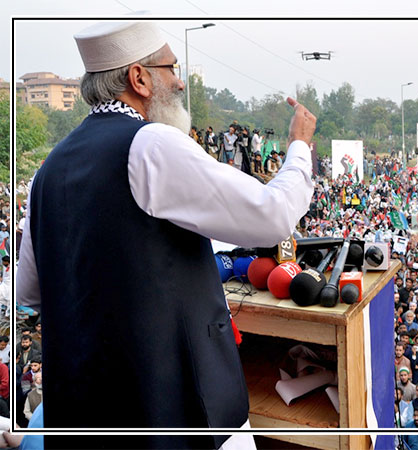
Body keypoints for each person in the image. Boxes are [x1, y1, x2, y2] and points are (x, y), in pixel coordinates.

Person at [16, 21, 316, 449]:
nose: (179, 81)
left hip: (83, 418)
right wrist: (299, 147)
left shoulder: (47, 170)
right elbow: (272, 215)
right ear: (139, 78)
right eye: (171, 68)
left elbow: (30, 289)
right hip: (171, 411)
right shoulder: (151, 143)